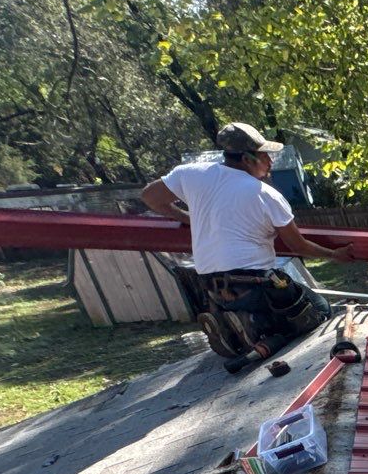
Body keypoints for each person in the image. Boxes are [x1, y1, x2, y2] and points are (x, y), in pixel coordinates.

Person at [140, 123, 354, 374]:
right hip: (254, 284)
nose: (270, 163)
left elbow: (150, 197)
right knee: (318, 309)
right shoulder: (265, 194)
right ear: (246, 158)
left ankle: (235, 324)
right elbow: (298, 245)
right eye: (264, 156)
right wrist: (334, 254)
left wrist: (191, 217)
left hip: (211, 287)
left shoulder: (190, 174)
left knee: (268, 304)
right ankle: (264, 333)